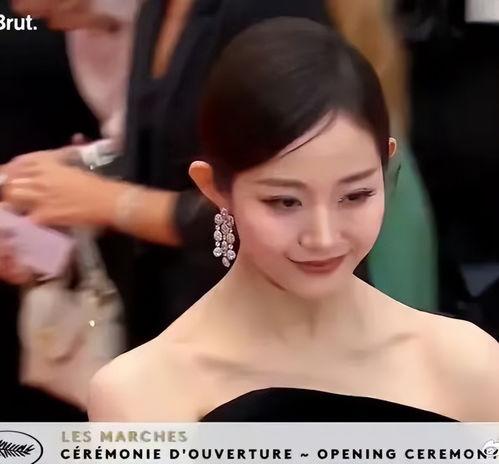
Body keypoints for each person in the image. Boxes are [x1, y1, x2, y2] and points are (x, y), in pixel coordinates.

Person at [88, 18, 499, 422]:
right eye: (285, 202)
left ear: (386, 167)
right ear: (214, 188)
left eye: (355, 196)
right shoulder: (144, 392)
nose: (323, 237)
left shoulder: (464, 362)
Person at [1, 0, 336, 350]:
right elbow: (161, 164)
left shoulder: (265, 10)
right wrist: (67, 180)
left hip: (272, 336)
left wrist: (112, 203)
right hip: (176, 328)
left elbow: (294, 208)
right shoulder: (157, 11)